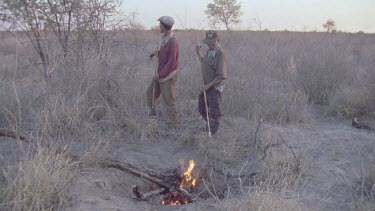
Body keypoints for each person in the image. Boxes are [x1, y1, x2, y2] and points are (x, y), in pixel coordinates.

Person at [146, 16, 179, 128]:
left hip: (168, 76)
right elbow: (161, 49)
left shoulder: (172, 41)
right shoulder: (163, 37)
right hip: (160, 74)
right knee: (150, 95)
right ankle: (153, 119)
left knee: (169, 101)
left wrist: (160, 75)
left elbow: (172, 63)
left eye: (160, 25)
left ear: (165, 27)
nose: (159, 27)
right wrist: (154, 53)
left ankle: (175, 127)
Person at [195, 30, 227, 135]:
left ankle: (212, 135)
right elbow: (205, 63)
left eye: (212, 43)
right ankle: (209, 126)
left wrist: (208, 86)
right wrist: (198, 54)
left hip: (214, 87)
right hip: (206, 86)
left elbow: (221, 76)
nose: (210, 45)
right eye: (208, 43)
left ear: (218, 40)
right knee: (202, 108)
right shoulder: (210, 51)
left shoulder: (220, 53)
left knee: (215, 112)